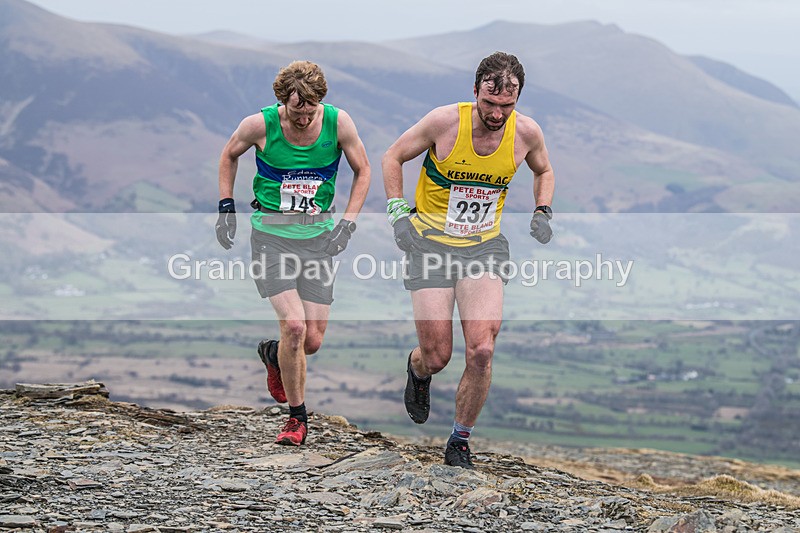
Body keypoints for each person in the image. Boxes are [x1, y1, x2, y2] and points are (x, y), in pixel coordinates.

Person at [382, 52, 555, 468]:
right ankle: (418, 369)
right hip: (430, 245)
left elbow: (544, 171)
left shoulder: (526, 133)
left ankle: (460, 440)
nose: (497, 114)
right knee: (438, 354)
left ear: (518, 100)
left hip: (483, 247)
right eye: (489, 104)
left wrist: (542, 210)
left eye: (506, 107)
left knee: (481, 349)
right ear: (475, 91)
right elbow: (393, 157)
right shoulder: (444, 122)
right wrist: (397, 212)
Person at [216, 60, 370, 446]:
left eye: (310, 109)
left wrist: (347, 224)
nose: (303, 117)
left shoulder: (338, 124)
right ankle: (296, 420)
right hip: (271, 238)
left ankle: (273, 354)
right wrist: (225, 207)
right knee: (296, 327)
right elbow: (228, 155)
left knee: (312, 340)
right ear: (283, 101)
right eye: (296, 109)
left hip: (318, 241)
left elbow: (363, 170)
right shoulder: (260, 125)